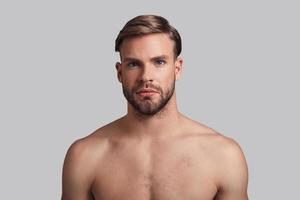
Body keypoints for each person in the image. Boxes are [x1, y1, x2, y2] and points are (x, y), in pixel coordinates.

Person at [61, 15, 249, 200]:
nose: (146, 76)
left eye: (159, 62)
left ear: (177, 68)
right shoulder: (85, 157)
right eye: (134, 64)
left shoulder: (223, 155)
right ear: (120, 72)